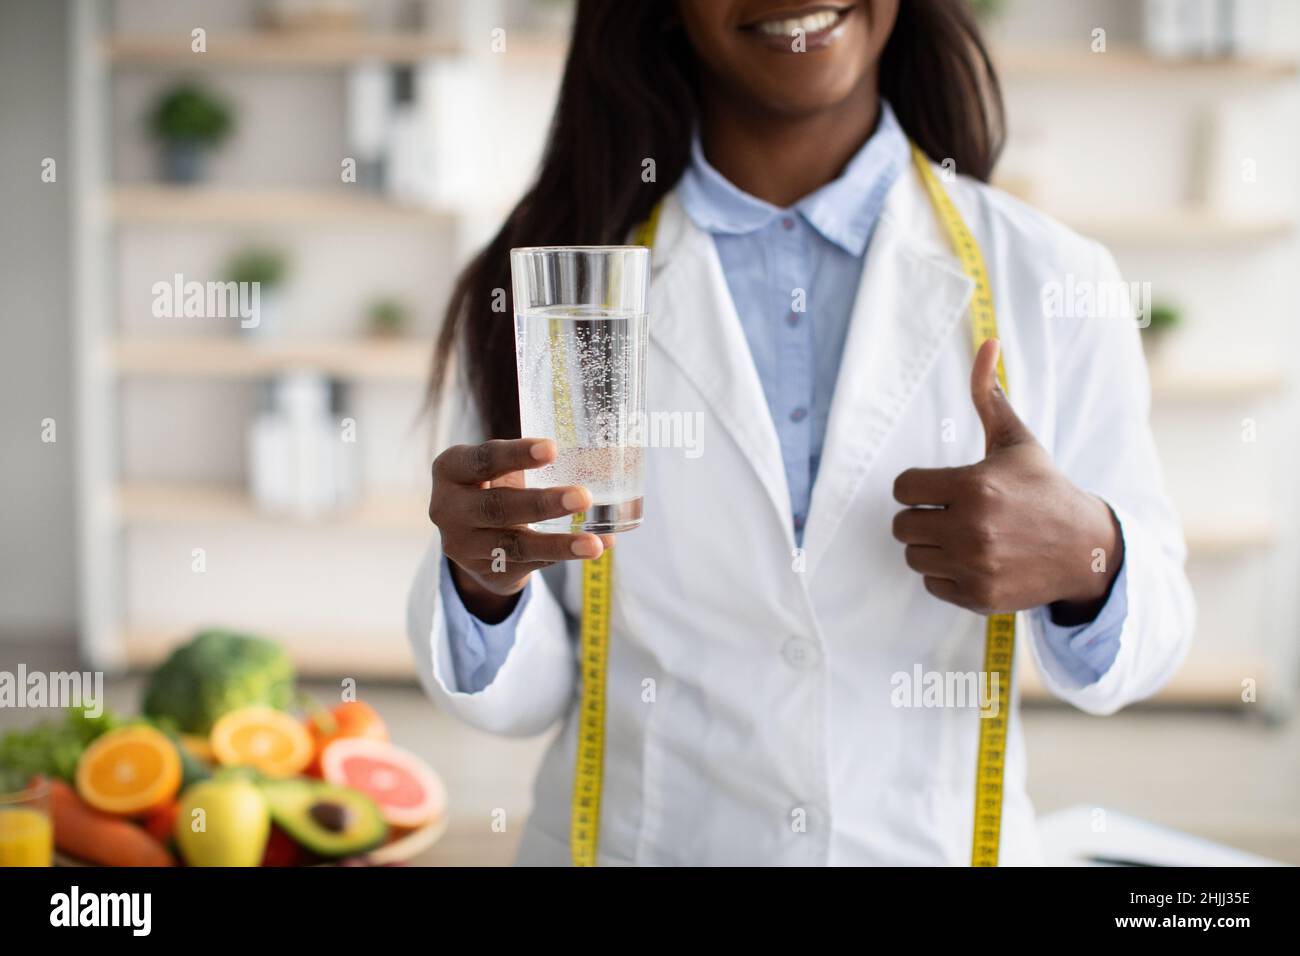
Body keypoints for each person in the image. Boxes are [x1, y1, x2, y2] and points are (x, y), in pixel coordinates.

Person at [408, 0, 1194, 865]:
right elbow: (522, 699)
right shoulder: (558, 282)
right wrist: (483, 586)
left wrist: (1091, 557)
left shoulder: (1050, 276)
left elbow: (1147, 650)